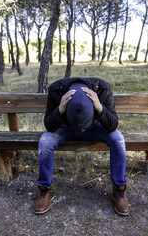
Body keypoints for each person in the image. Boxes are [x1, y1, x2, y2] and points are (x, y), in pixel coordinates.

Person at [34, 77, 129, 216]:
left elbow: (113, 125)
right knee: (45, 143)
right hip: (65, 128)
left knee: (119, 140)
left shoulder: (104, 89)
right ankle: (45, 189)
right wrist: (60, 109)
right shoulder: (56, 89)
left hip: (95, 127)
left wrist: (99, 107)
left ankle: (119, 190)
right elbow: (49, 125)